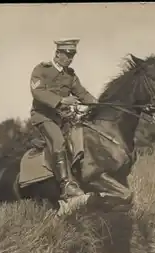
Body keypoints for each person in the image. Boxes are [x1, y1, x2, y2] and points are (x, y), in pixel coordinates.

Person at [28, 38, 97, 200]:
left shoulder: (70, 75)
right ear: (57, 53)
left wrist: (98, 103)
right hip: (43, 117)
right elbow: (37, 92)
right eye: (67, 54)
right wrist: (62, 101)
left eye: (73, 54)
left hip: (64, 119)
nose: (70, 58)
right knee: (58, 141)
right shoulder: (42, 70)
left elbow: (82, 93)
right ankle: (66, 185)